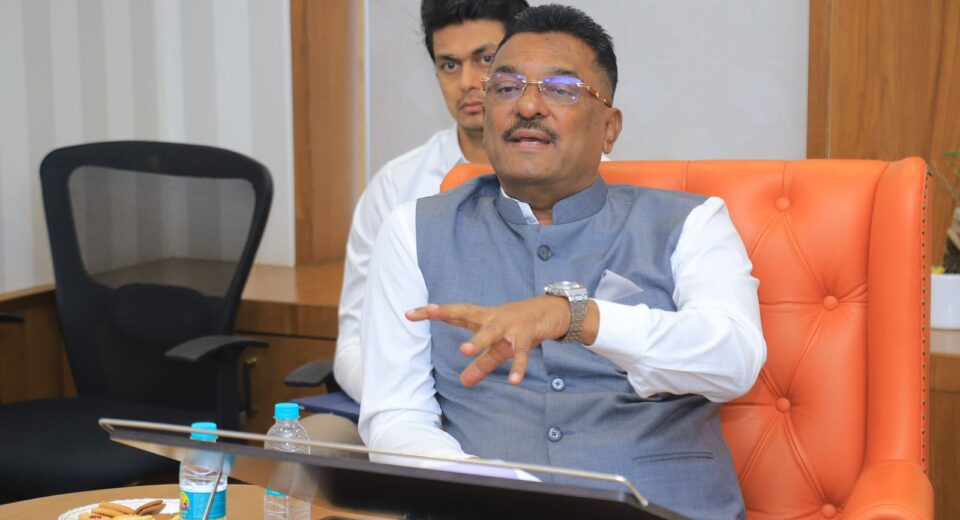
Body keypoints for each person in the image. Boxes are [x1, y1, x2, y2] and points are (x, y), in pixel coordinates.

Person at [358, 5, 766, 519]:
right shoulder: (413, 231)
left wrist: (579, 318)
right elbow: (396, 417)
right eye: (506, 87)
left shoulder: (691, 223)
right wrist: (495, 488)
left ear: (609, 128)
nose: (528, 105)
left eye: (561, 89)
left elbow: (734, 360)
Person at [300, 0, 528, 445]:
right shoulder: (397, 186)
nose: (468, 82)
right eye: (449, 65)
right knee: (306, 440)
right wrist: (416, 413)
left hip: (531, 409)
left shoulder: (577, 176)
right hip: (422, 414)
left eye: (485, 58)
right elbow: (353, 347)